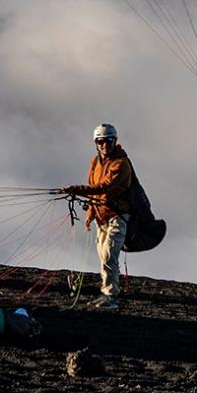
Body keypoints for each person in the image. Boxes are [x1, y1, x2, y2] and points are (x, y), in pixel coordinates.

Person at [55, 123, 134, 310]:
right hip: (101, 216)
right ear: (96, 143)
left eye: (108, 141)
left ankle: (112, 297)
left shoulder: (121, 164)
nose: (104, 145)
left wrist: (76, 189)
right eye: (100, 141)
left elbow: (104, 187)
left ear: (114, 141)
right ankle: (107, 293)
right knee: (103, 256)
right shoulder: (95, 162)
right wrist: (91, 213)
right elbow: (94, 189)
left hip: (118, 216)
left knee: (108, 256)